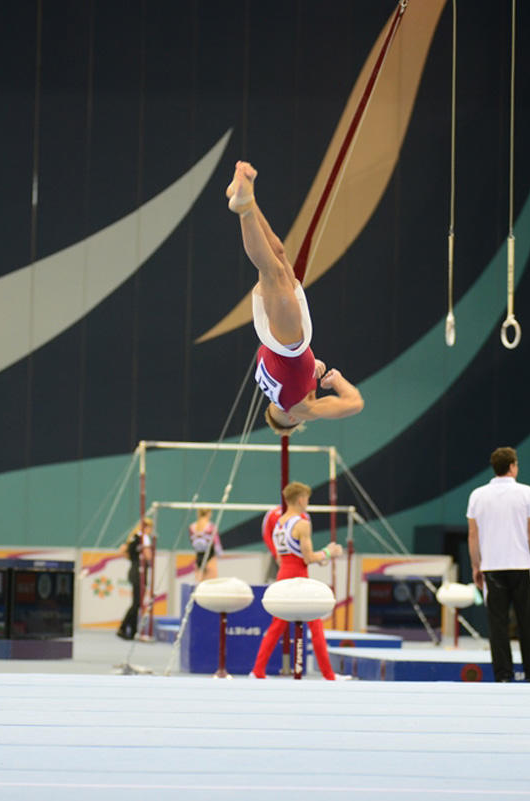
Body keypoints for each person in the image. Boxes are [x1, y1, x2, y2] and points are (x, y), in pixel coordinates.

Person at [226, 161, 364, 434]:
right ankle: (247, 198)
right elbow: (293, 375)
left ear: (290, 420)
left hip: (286, 342)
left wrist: (336, 380)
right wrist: (313, 366)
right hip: (277, 338)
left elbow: (354, 403)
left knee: (271, 270)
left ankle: (243, 208)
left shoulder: (298, 409)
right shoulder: (271, 389)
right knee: (277, 251)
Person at [466, 446, 530, 683]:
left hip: (492, 567)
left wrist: (476, 565)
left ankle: (502, 675)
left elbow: (473, 534)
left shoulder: (477, 495)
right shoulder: (526, 493)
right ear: (512, 466)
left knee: (498, 625)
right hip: (522, 566)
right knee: (527, 623)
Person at [251, 482, 343, 679]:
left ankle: (257, 670)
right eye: (307, 499)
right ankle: (329, 676)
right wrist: (328, 552)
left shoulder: (279, 523)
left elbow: (289, 555)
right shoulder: (302, 523)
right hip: (299, 576)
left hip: (283, 574)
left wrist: (320, 558)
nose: (308, 502)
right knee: (316, 626)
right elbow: (308, 558)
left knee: (277, 625)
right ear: (301, 499)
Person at [113, 517, 155, 641]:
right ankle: (123, 627)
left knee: (136, 603)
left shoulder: (133, 537)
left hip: (133, 570)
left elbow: (124, 551)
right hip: (139, 572)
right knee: (137, 603)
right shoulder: (144, 538)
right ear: (147, 527)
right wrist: (150, 559)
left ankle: (132, 631)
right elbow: (148, 556)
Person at [188, 508, 223, 582]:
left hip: (198, 557)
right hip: (210, 556)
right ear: (209, 514)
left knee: (200, 585)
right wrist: (220, 554)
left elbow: (192, 541)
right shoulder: (211, 527)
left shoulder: (192, 527)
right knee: (211, 584)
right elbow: (216, 543)